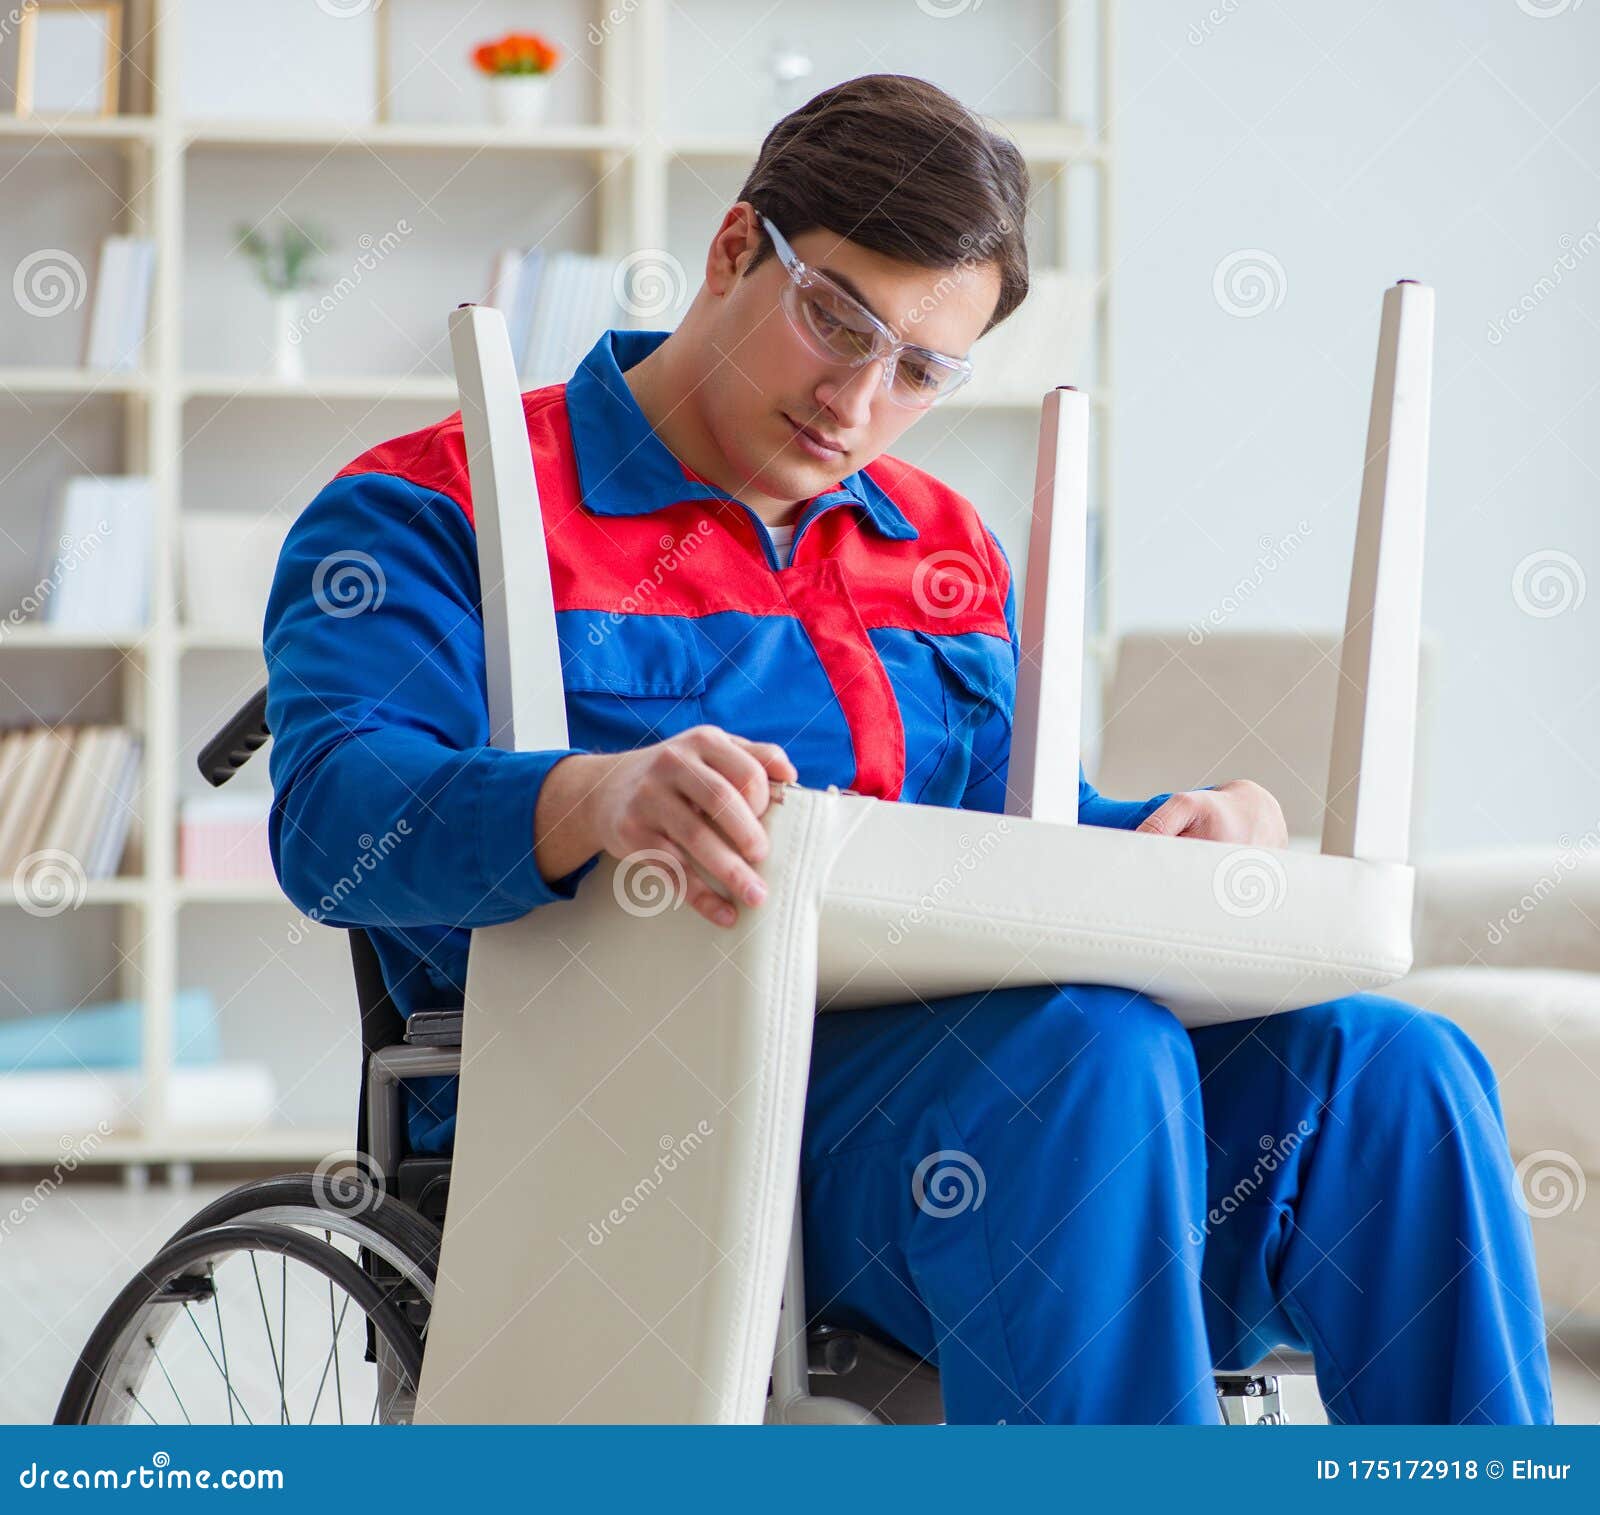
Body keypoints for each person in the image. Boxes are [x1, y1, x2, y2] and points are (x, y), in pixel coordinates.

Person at [263, 73, 1552, 1424]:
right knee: (1085, 1057)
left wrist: (1183, 834)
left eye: (923, 372)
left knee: (1397, 1071)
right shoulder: (431, 504)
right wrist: (590, 797)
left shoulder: (937, 543)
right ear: (730, 250)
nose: (859, 402)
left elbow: (1000, 829)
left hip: (972, 1102)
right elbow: (336, 820)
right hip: (635, 1117)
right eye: (836, 319)